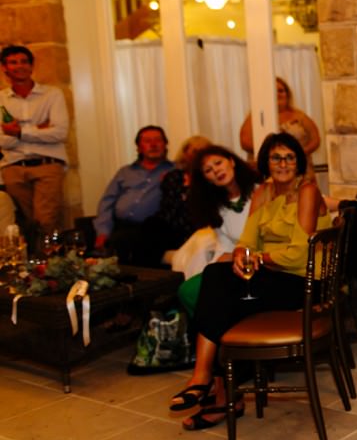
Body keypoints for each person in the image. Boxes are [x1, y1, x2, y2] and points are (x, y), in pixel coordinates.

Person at [169, 132, 329, 430]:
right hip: (272, 278)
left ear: (299, 161)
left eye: (289, 156)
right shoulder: (262, 194)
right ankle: (215, 388)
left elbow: (298, 253)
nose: (282, 163)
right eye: (275, 157)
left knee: (219, 292)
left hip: (303, 283)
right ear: (266, 163)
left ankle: (209, 384)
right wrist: (243, 256)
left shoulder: (307, 191)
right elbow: (246, 241)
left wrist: (259, 258)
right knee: (218, 282)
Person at [174, 145, 262, 315]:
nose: (216, 170)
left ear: (231, 161)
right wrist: (215, 268)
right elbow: (224, 246)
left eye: (218, 163)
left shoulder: (260, 190)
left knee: (212, 292)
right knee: (187, 290)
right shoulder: (215, 207)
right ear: (206, 178)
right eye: (208, 170)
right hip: (237, 261)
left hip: (262, 259)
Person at [0, 45, 70, 246]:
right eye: (13, 62)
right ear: (5, 68)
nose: (19, 66)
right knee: (27, 225)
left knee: (45, 221)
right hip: (13, 168)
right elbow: (1, 140)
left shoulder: (51, 94)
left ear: (31, 66)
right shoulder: (1, 99)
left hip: (47, 165)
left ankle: (48, 269)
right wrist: (38, 128)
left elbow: (59, 133)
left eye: (24, 61)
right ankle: (36, 269)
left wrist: (18, 131)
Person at [93, 125, 175, 264]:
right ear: (139, 147)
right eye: (147, 141)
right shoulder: (125, 172)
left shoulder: (175, 171)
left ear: (165, 145)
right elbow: (107, 203)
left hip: (153, 230)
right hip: (122, 227)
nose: (153, 144)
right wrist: (102, 232)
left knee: (126, 243)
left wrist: (171, 182)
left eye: (158, 140)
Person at [133, 135, 212, 267]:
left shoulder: (210, 178)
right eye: (194, 152)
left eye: (202, 152)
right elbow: (169, 208)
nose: (197, 157)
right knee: (151, 225)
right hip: (174, 224)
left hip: (199, 224)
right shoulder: (174, 177)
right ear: (185, 154)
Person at [239, 77, 321, 165]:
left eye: (281, 91)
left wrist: (297, 154)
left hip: (299, 167)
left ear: (287, 94)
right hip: (264, 167)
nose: (277, 94)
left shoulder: (300, 116)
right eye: (273, 91)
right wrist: (270, 155)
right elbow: (245, 142)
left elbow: (315, 140)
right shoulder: (254, 117)